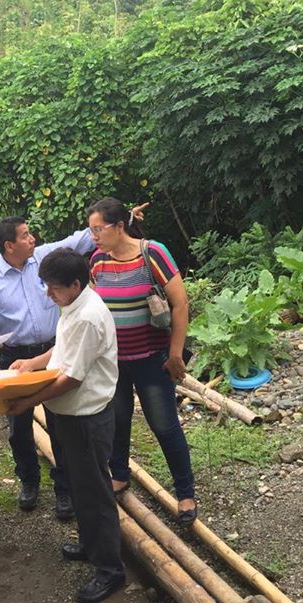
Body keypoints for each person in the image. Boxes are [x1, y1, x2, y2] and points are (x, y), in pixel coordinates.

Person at [0, 207, 146, 518]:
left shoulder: (51, 265)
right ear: (9, 245)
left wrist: (124, 219)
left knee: (60, 424)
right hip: (17, 357)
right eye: (25, 235)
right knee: (18, 429)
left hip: (53, 349)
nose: (33, 239)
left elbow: (82, 238)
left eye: (53, 289)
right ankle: (29, 480)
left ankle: (65, 488)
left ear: (74, 285)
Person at [6, 248, 125, 603]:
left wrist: (28, 400)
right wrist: (34, 362)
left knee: (94, 492)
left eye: (53, 288)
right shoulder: (73, 305)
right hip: (68, 415)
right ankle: (91, 544)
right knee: (78, 485)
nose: (48, 294)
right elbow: (63, 350)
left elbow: (71, 377)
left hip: (85, 417)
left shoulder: (87, 316)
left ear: (75, 283)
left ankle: (110, 570)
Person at [87, 197, 196, 524]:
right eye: (91, 231)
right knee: (117, 420)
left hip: (152, 360)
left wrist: (175, 353)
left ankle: (185, 493)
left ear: (120, 226)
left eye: (98, 230)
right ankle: (119, 474)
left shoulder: (153, 253)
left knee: (164, 424)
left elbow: (180, 304)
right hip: (113, 362)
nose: (94, 237)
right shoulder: (97, 261)